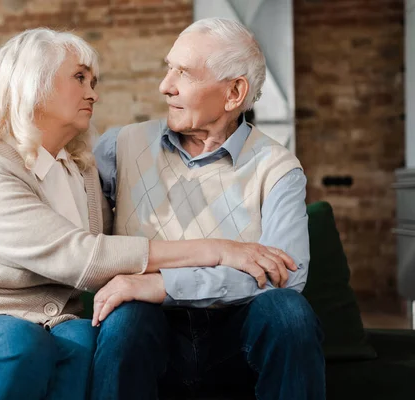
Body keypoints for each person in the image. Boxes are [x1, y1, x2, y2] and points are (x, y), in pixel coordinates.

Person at [0, 28, 294, 400]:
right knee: (16, 343)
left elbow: (126, 239)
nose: (93, 92)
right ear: (34, 85)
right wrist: (218, 250)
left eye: (93, 81)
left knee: (83, 336)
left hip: (42, 323)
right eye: (79, 78)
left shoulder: (82, 170)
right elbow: (82, 257)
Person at [92, 18, 325, 400]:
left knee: (287, 312)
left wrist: (162, 284)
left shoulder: (278, 168)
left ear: (234, 93)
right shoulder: (120, 147)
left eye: (184, 73)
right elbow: (78, 240)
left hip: (236, 340)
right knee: (127, 317)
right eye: (169, 68)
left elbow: (286, 277)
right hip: (152, 336)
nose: (165, 86)